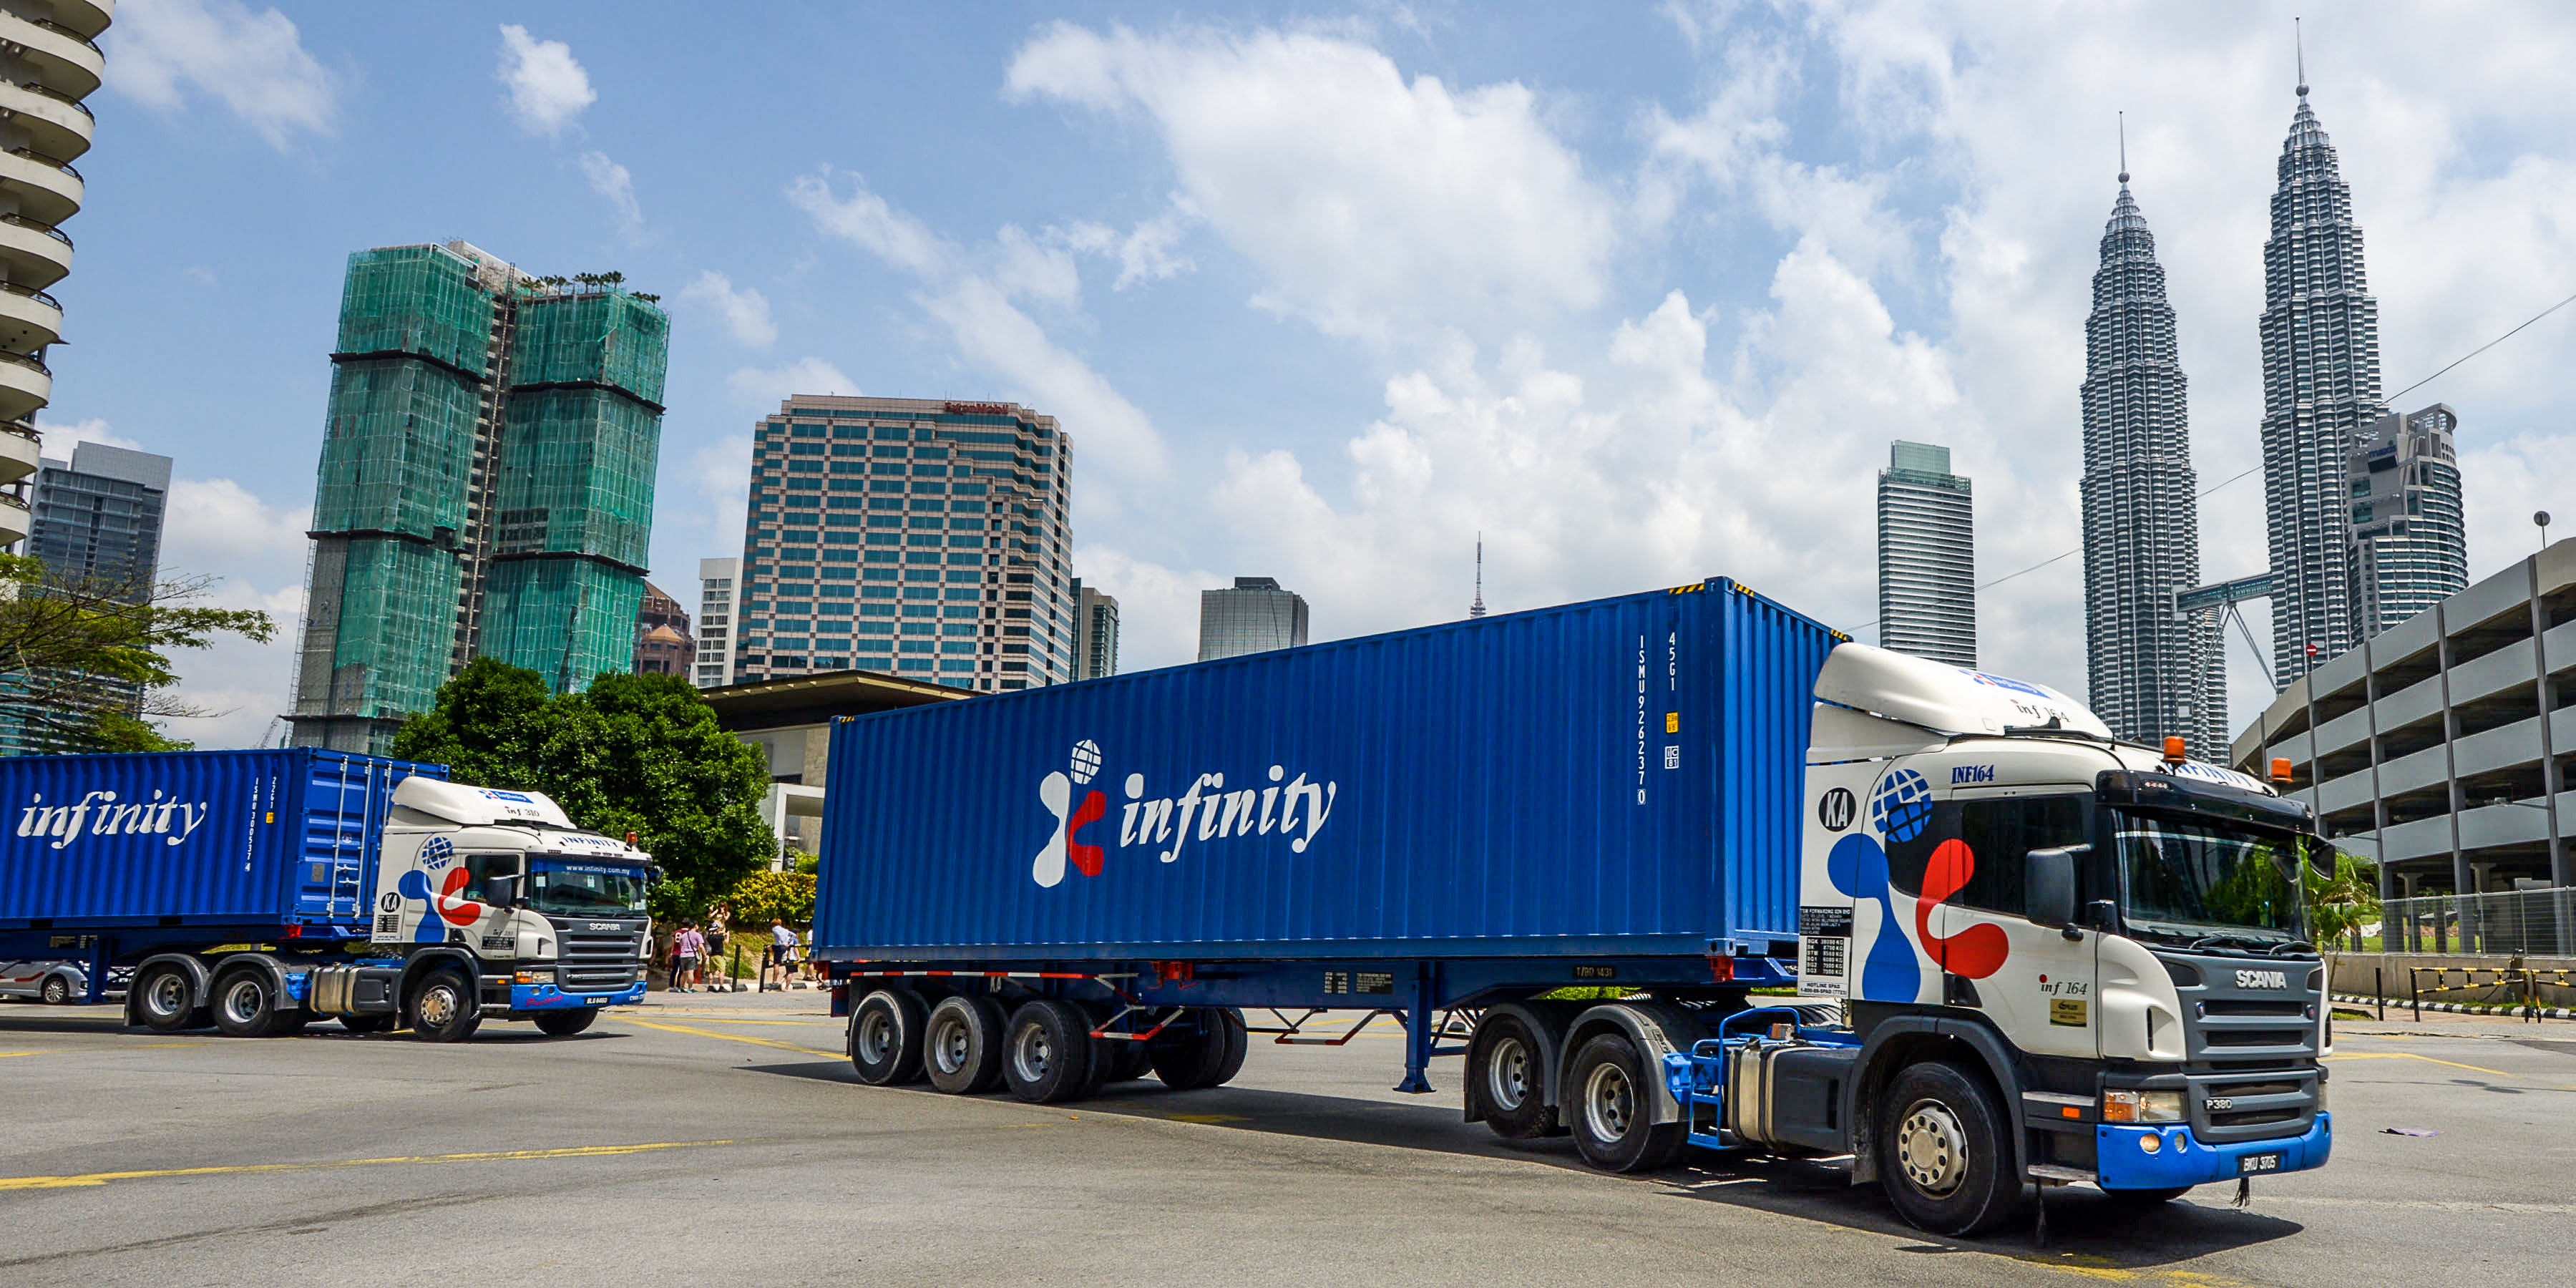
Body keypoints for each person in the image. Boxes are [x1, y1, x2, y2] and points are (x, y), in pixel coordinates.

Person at [670, 920, 706, 993]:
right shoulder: (697, 935)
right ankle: (690, 988)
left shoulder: (684, 935)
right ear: (695, 926)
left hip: (683, 955)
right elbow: (701, 946)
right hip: (691, 955)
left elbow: (681, 945)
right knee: (690, 973)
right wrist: (705, 955)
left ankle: (681, 988)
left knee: (683, 973)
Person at [765, 919, 797, 992]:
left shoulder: (774, 929)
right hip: (784, 948)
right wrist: (788, 943)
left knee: (776, 965)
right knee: (770, 948)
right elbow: (794, 935)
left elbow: (779, 936)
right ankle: (772, 953)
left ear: (773, 924)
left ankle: (774, 981)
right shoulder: (785, 930)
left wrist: (783, 943)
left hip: (778, 947)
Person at [704, 908, 731, 992]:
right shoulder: (720, 936)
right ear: (717, 929)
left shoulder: (709, 937)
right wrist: (728, 935)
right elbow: (726, 942)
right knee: (722, 971)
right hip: (719, 955)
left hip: (712, 955)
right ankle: (721, 986)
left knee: (712, 972)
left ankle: (710, 986)